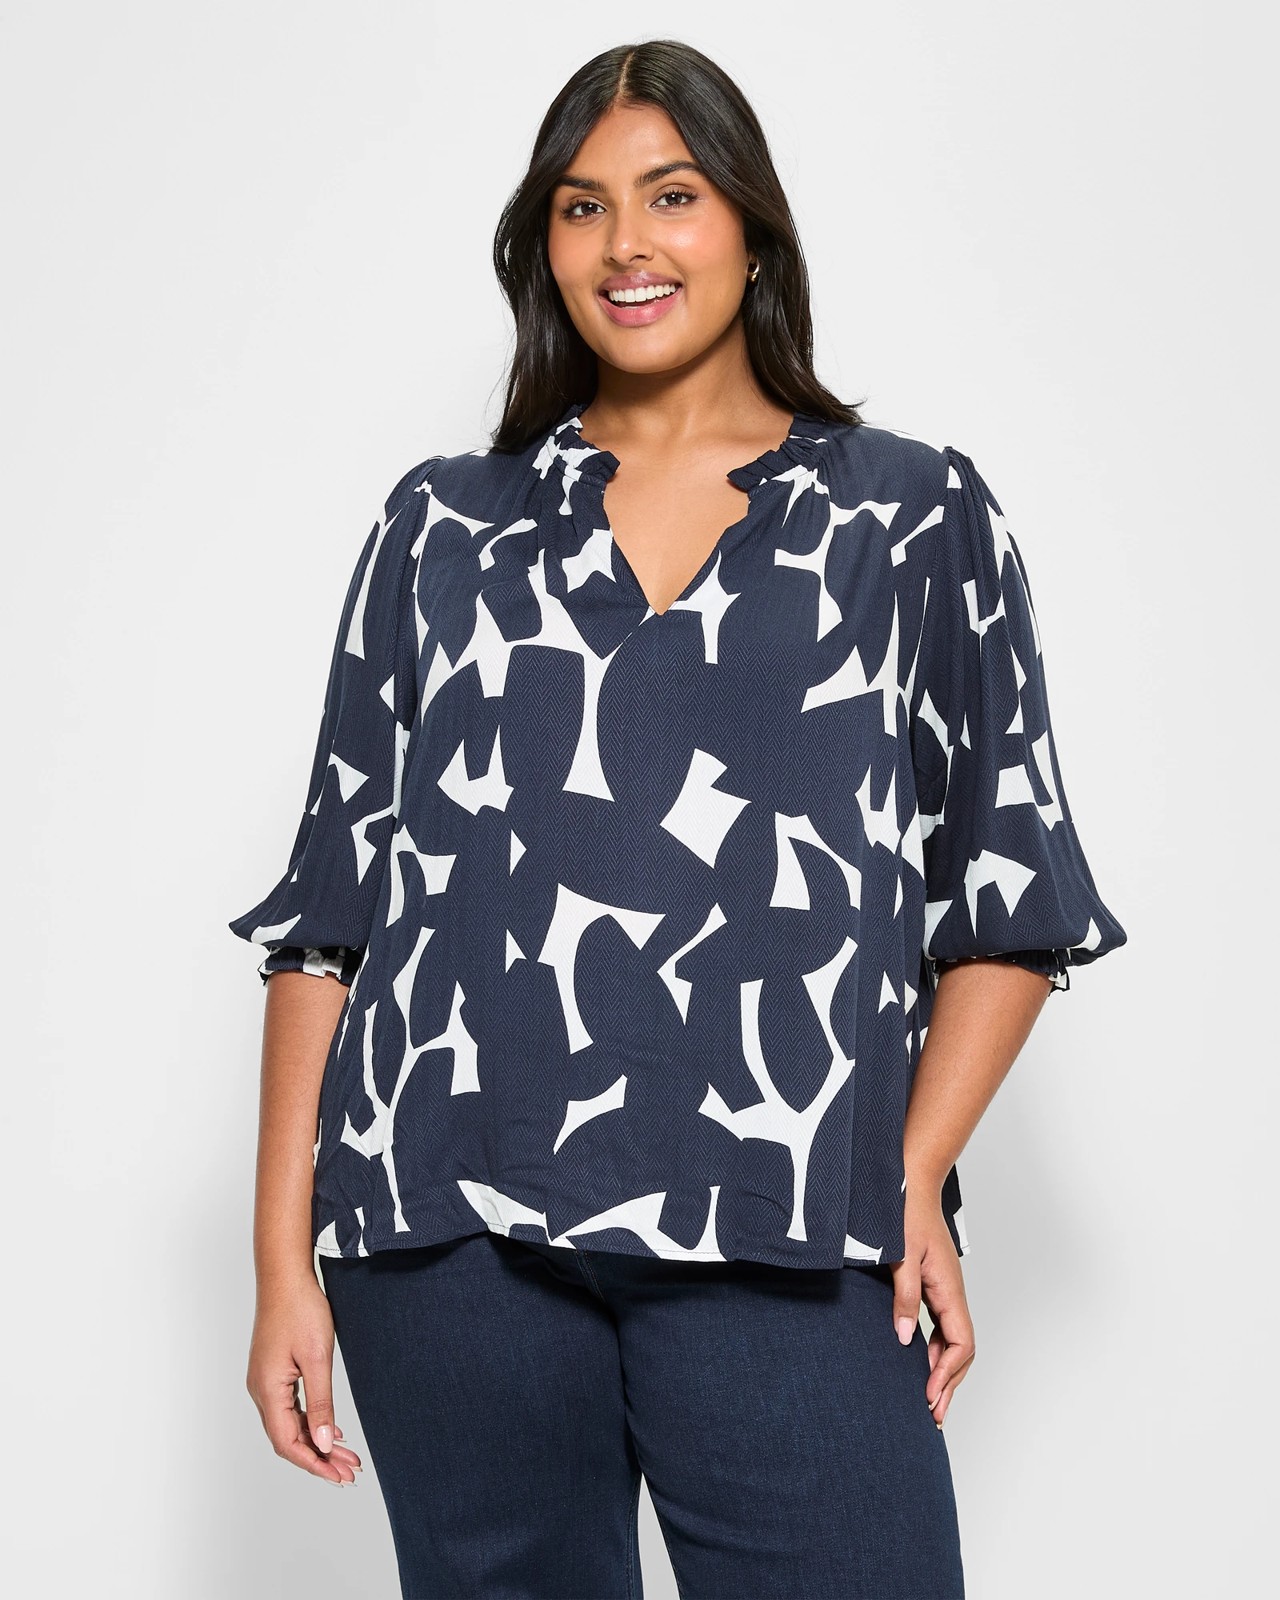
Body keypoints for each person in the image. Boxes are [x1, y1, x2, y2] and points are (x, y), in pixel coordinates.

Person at [229, 37, 1127, 1600]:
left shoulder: (912, 516)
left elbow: (1010, 895)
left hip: (789, 1212)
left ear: (752, 228)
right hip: (448, 1228)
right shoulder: (442, 526)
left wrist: (910, 1175)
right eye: (582, 207)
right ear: (543, 246)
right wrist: (277, 1267)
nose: (624, 244)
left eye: (672, 195)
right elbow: (330, 919)